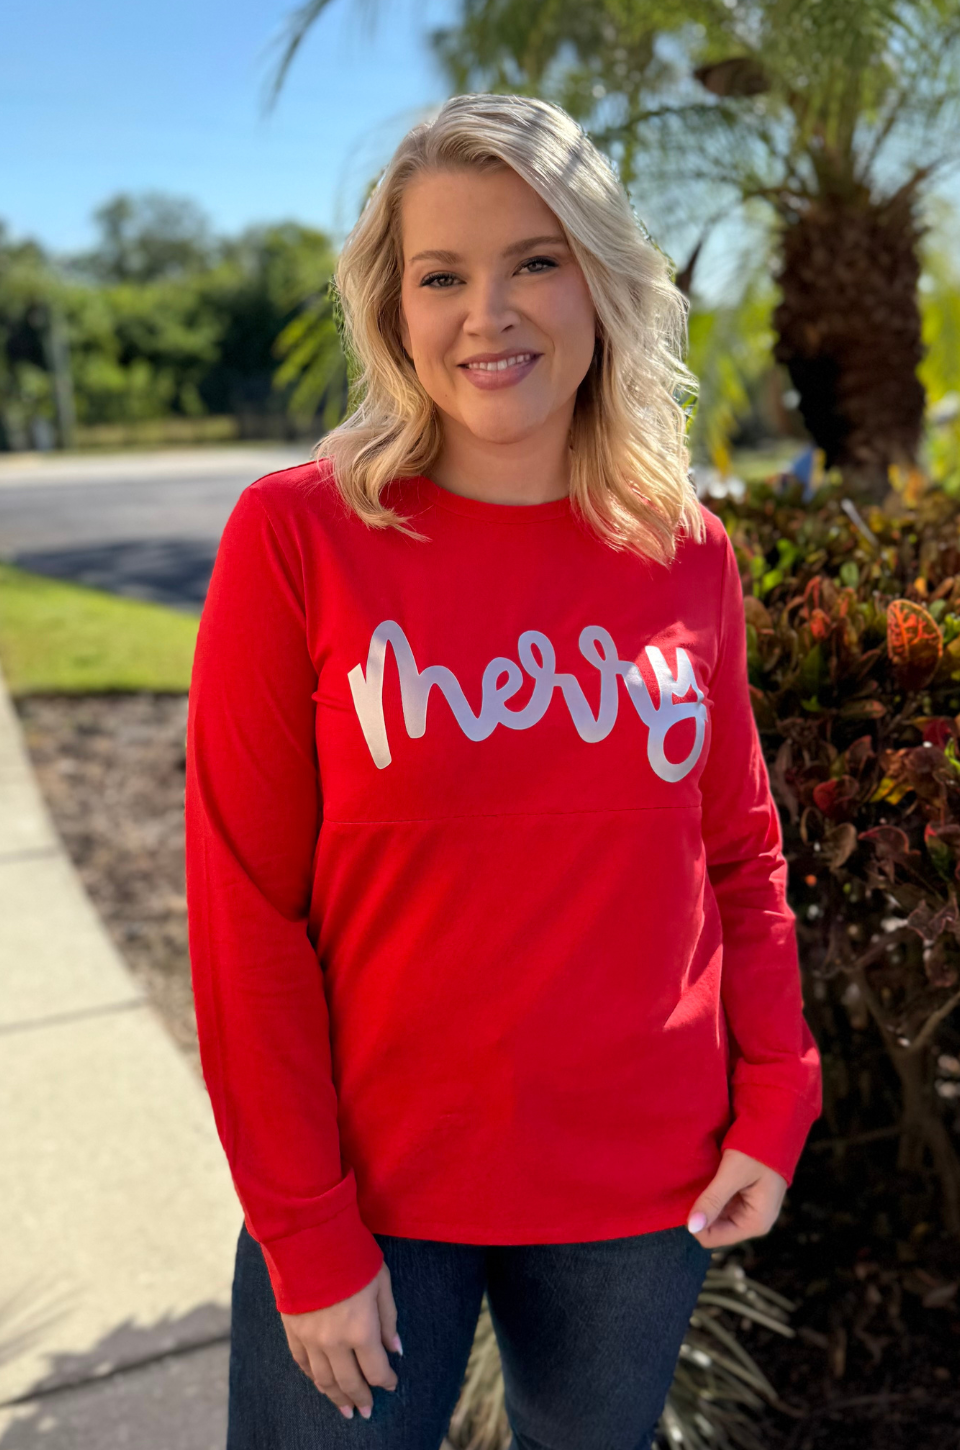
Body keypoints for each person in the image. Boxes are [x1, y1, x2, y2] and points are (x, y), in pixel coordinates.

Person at [184, 92, 822, 1450]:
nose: (492, 312)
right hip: (374, 1195)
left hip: (640, 1193)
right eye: (443, 275)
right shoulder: (296, 539)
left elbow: (738, 852)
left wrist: (777, 1091)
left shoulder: (685, 549)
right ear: (393, 307)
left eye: (535, 259)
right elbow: (246, 912)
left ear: (600, 275)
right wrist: (307, 1230)